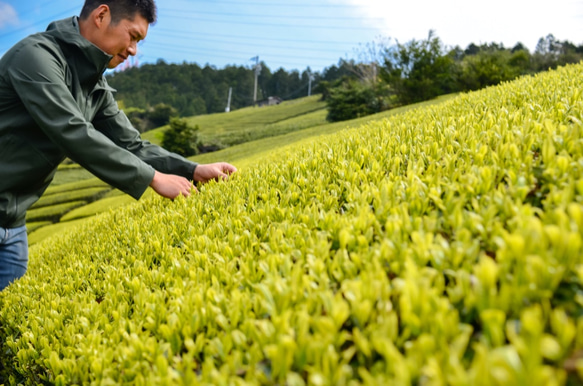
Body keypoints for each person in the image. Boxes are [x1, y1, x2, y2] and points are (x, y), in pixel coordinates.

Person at [0, 0, 237, 290]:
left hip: (13, 225)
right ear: (102, 15)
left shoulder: (94, 86)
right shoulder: (36, 57)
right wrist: (153, 178)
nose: (134, 50)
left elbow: (132, 145)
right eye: (133, 36)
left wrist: (194, 169)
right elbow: (72, 131)